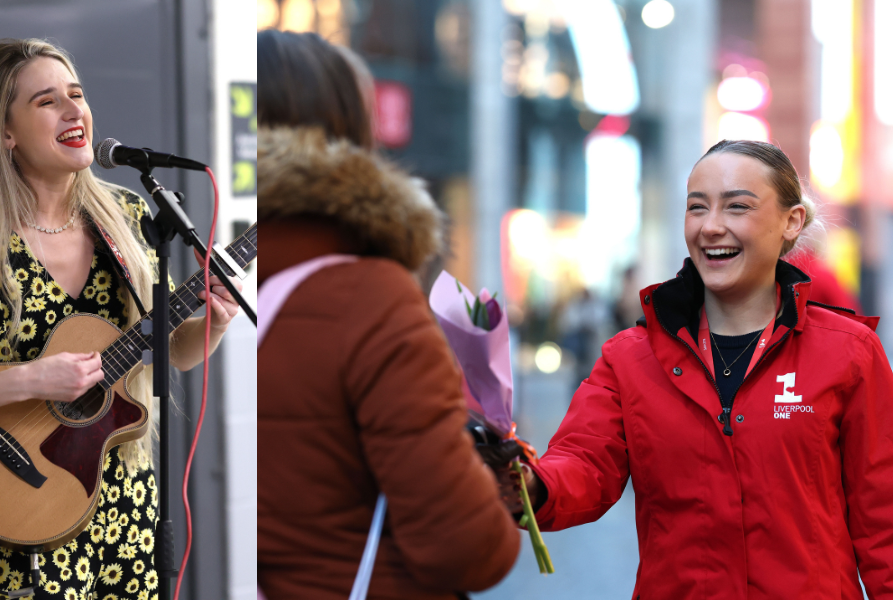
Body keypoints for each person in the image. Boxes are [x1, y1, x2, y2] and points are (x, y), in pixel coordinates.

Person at [0, 38, 241, 599]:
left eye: (76, 94)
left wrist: (216, 322)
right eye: (46, 101)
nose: (74, 110)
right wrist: (31, 379)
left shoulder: (125, 219)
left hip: (127, 511)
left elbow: (171, 346)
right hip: (28, 519)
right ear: (5, 133)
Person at [500, 140, 893, 599]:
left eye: (737, 207)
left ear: (792, 222)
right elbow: (584, 462)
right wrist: (529, 482)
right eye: (697, 208)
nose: (711, 227)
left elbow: (882, 514)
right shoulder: (630, 358)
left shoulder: (849, 352)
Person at [257, 30, 520, 599]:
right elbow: (470, 550)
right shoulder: (368, 297)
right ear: (349, 134)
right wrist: (495, 474)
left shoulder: (176, 274)